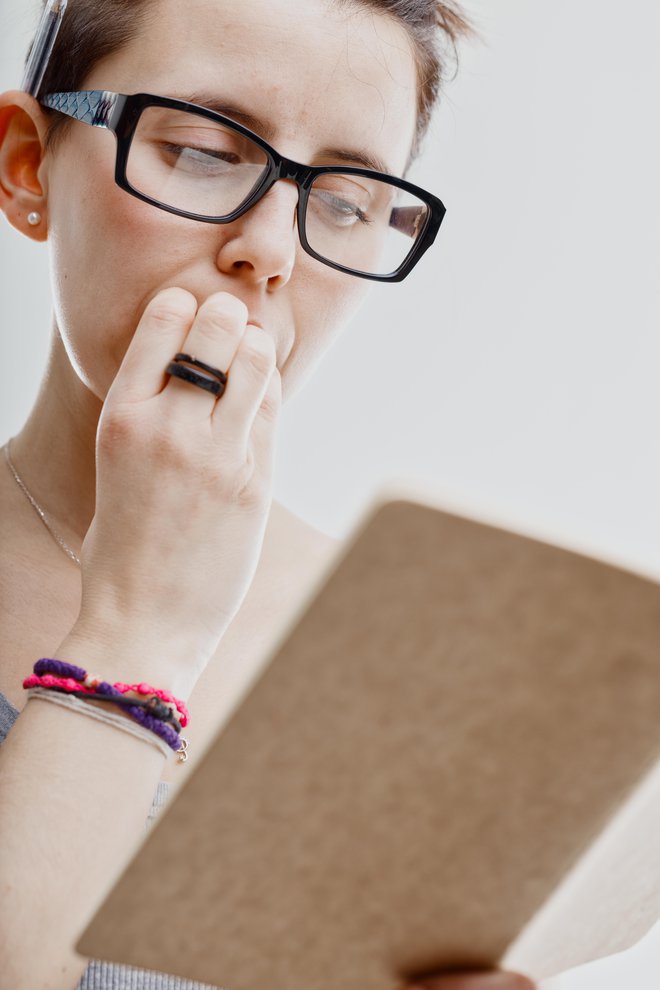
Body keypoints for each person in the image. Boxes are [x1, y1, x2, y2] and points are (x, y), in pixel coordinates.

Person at [0, 1, 537, 988]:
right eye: (205, 149)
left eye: (344, 200)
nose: (270, 250)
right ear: (28, 165)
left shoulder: (409, 661)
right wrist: (140, 627)